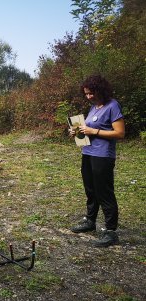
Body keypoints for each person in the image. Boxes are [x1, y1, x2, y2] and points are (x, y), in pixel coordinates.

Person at [69, 75, 125, 247]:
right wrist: (77, 132)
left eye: (91, 93)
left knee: (104, 192)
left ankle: (110, 231)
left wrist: (94, 132)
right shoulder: (94, 108)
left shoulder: (112, 105)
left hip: (103, 155)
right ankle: (90, 220)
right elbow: (88, 130)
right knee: (91, 189)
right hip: (88, 152)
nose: (89, 97)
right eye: (86, 94)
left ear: (100, 89)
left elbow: (120, 133)